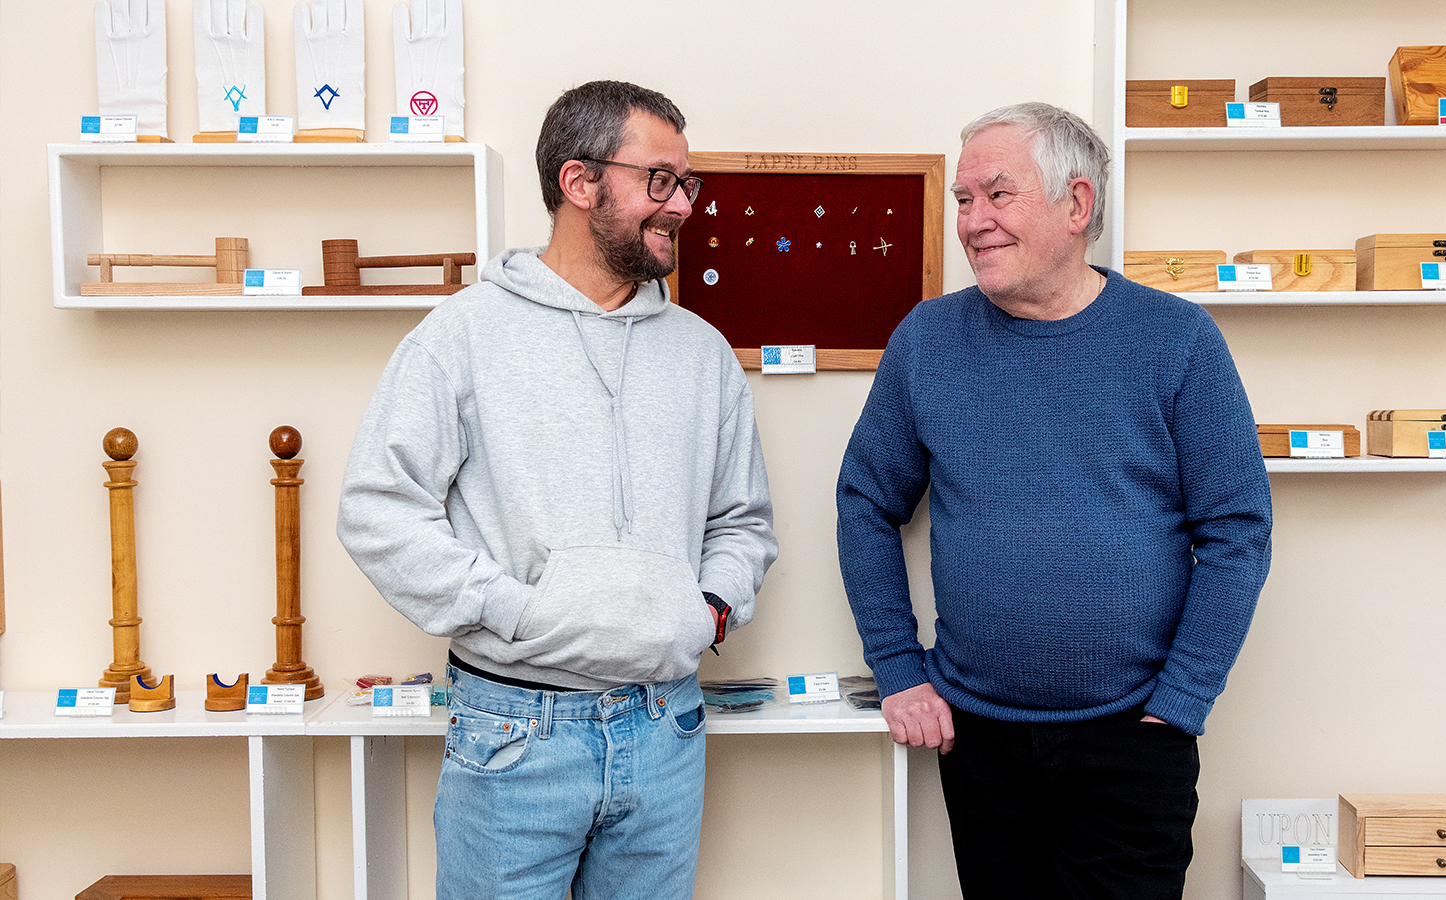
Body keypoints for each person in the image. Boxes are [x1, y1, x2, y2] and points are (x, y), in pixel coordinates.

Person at [337, 80, 778, 900]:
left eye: (687, 183)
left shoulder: (702, 352)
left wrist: (707, 607)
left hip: (665, 727)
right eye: (659, 181)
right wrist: (516, 611)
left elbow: (742, 519)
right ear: (580, 183)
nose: (682, 205)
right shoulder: (461, 335)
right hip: (514, 734)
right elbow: (376, 510)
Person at [836, 101, 1272, 899]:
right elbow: (865, 501)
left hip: (1136, 738)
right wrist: (898, 669)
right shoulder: (927, 340)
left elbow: (1238, 532)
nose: (973, 222)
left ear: (1077, 205)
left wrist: (1181, 701)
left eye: (997, 195)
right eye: (964, 200)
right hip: (980, 741)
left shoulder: (1177, 339)